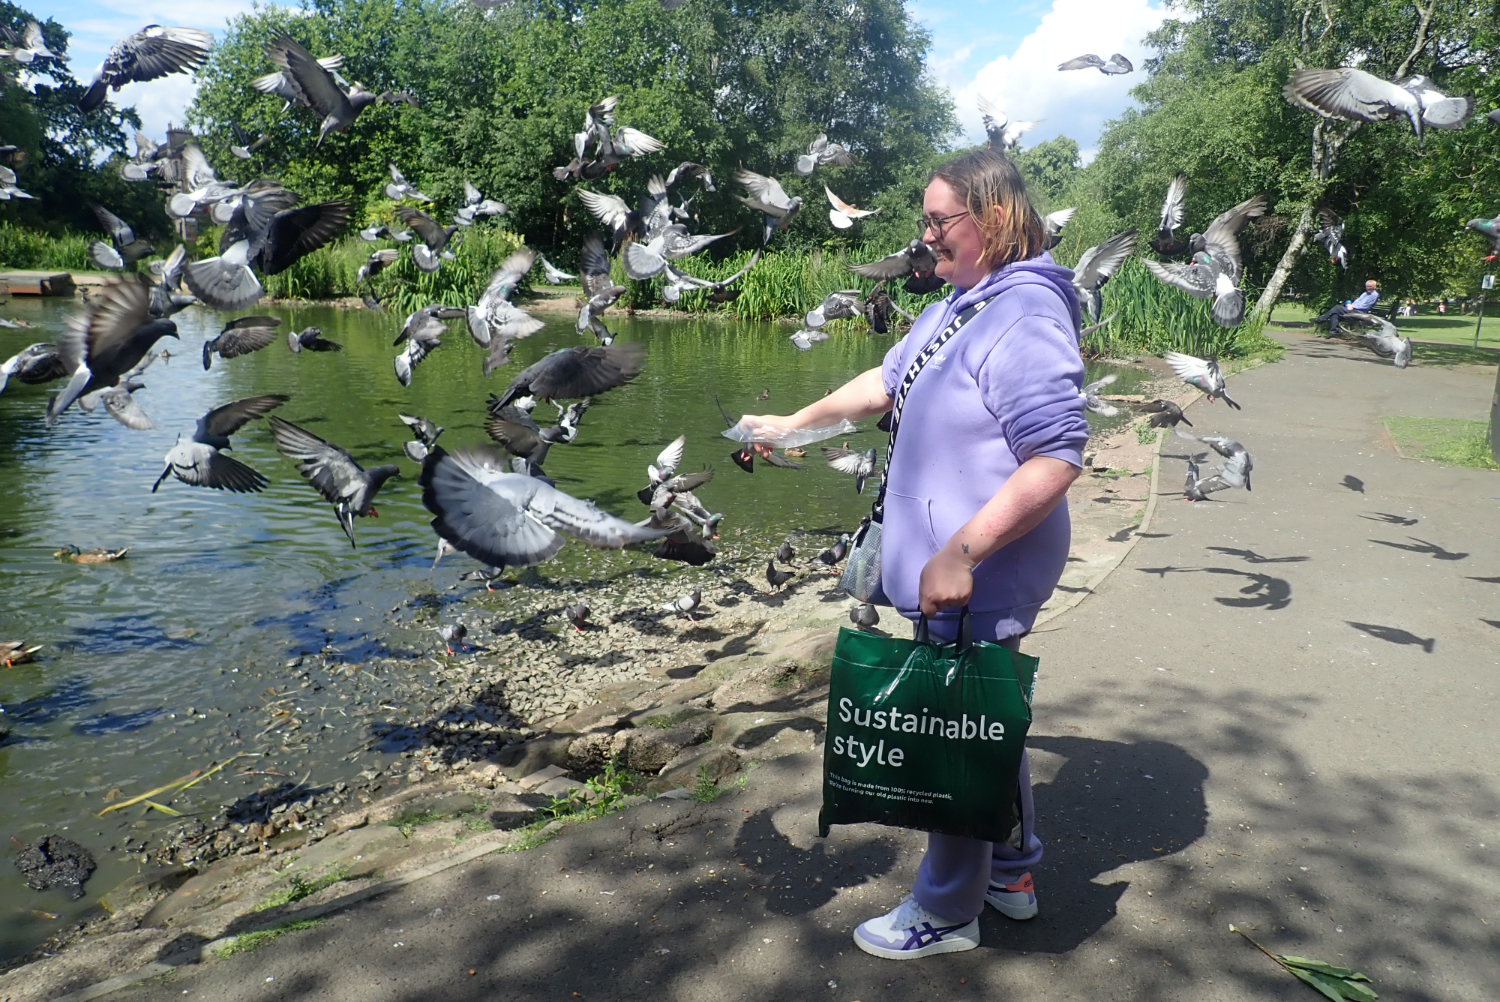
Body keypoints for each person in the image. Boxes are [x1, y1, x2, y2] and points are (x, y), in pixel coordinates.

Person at [738, 148, 1087, 960]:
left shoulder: (1024, 314)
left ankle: (946, 910)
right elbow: (885, 382)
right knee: (986, 717)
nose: (925, 237)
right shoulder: (962, 302)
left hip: (983, 567)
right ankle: (1010, 873)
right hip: (957, 565)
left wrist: (961, 553)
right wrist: (793, 424)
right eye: (924, 222)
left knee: (951, 731)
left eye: (939, 222)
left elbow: (1056, 457)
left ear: (993, 218)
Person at [1312, 279, 1379, 333]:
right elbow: (1357, 301)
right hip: (1353, 310)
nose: (1368, 288)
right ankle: (1333, 332)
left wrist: (1353, 307)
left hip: (1360, 313)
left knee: (1337, 307)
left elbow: (1366, 306)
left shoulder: (1374, 295)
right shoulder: (1364, 293)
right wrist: (1350, 305)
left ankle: (1321, 319)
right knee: (1335, 315)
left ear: (1374, 287)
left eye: (1370, 286)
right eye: (1367, 286)